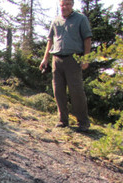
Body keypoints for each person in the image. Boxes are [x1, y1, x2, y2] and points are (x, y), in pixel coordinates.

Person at [40, 0, 92, 133]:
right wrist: (45, 58)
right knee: (58, 91)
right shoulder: (56, 21)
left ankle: (83, 122)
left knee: (76, 91)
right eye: (62, 5)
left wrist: (86, 59)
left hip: (73, 59)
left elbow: (87, 39)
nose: (65, 7)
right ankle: (63, 120)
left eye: (68, 4)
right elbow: (50, 40)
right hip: (56, 59)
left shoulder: (81, 19)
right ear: (60, 5)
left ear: (72, 5)